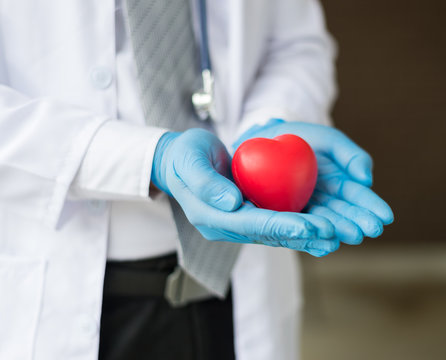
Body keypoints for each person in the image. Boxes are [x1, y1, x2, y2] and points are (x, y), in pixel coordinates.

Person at [0, 0, 393, 359]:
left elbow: (296, 46)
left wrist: (272, 121)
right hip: (67, 297)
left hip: (238, 292)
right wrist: (149, 159)